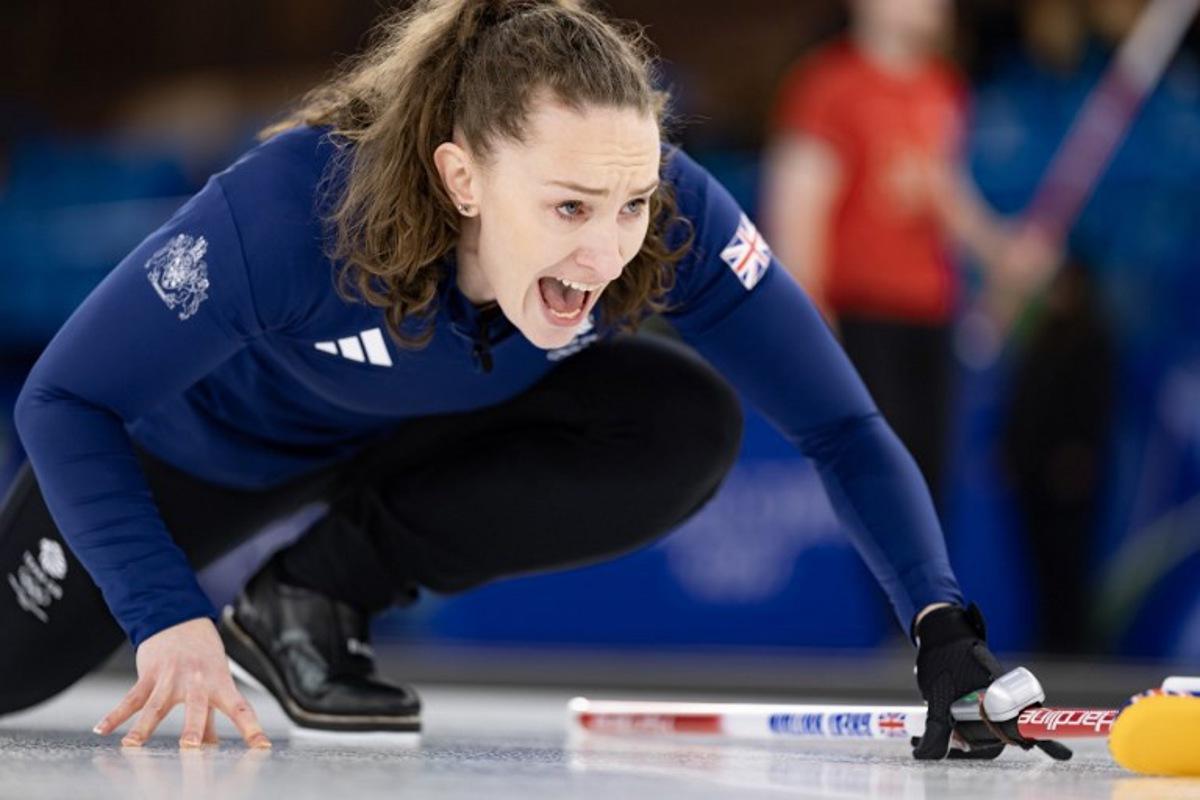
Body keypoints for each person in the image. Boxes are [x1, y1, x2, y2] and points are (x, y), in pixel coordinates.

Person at [4, 0, 1024, 759]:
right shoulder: (294, 211)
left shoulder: (666, 220)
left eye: (631, 203)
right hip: (198, 459)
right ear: (463, 179)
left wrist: (941, 622)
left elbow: (841, 424)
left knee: (680, 419)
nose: (607, 254)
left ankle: (312, 594)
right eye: (571, 207)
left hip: (425, 430)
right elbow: (65, 398)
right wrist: (163, 609)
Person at [762, 0, 1056, 504]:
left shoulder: (941, 86)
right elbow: (797, 206)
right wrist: (809, 318)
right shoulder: (830, 85)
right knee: (884, 491)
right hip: (862, 318)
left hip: (932, 313)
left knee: (933, 484)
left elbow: (946, 197)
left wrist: (1001, 251)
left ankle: (928, 586)